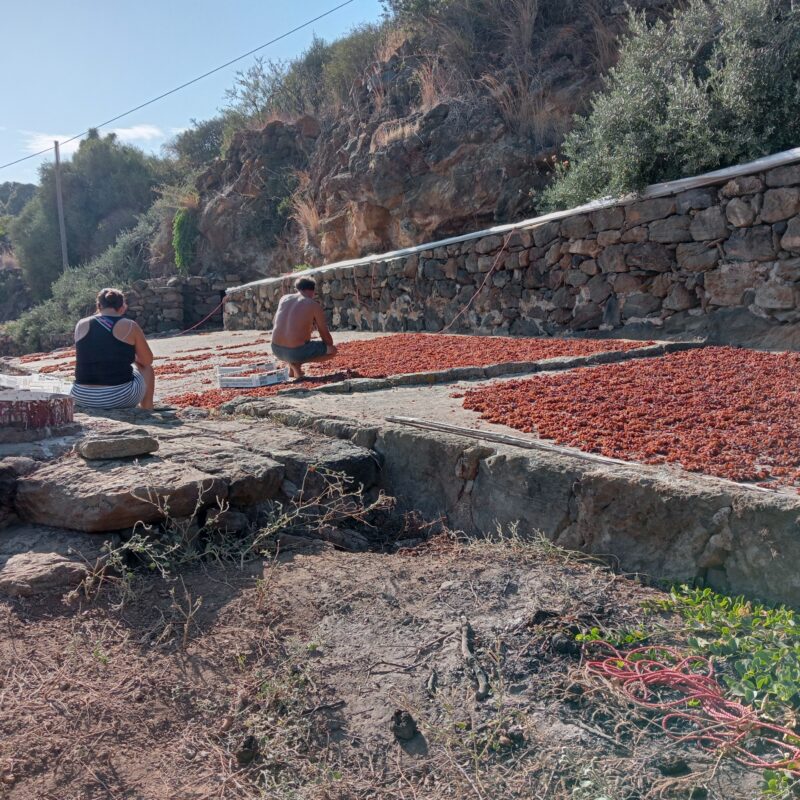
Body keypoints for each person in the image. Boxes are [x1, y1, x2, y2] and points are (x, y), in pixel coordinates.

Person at [70, 288, 155, 410]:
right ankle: (147, 409)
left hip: (81, 396)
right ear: (122, 307)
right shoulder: (130, 325)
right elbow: (147, 360)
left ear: (99, 306)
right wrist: (132, 357)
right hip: (117, 397)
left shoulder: (81, 324)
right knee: (146, 368)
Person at [271, 277, 337, 379]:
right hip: (295, 352)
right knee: (332, 350)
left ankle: (292, 367)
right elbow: (325, 334)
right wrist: (328, 343)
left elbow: (274, 322)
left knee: (295, 341)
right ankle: (296, 364)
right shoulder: (313, 305)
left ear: (298, 288)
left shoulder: (284, 298)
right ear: (313, 291)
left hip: (276, 349)